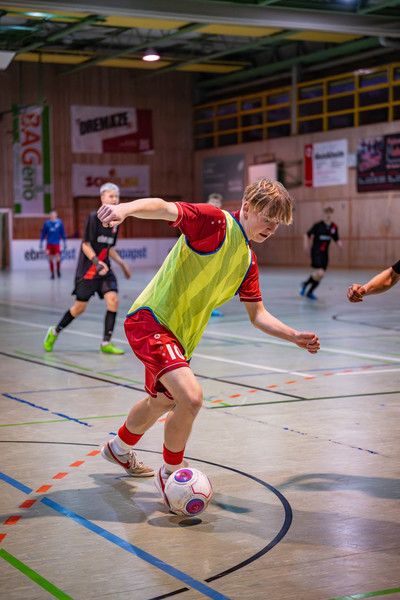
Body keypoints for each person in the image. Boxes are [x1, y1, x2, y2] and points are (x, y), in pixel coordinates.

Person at [96, 179, 321, 505]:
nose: (271, 228)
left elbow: (258, 314)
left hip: (181, 338)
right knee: (191, 398)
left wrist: (293, 335)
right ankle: (171, 474)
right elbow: (164, 208)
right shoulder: (215, 222)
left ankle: (118, 449)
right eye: (267, 219)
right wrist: (124, 209)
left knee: (162, 402)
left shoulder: (247, 261)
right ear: (247, 208)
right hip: (152, 320)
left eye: (277, 224)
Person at [43, 183, 131, 355]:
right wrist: (97, 263)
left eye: (117, 196)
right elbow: (86, 245)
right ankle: (55, 331)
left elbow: (109, 248)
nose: (115, 199)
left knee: (113, 300)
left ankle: (106, 342)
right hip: (89, 271)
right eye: (111, 196)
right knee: (79, 308)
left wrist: (123, 264)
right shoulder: (93, 218)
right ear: (102, 198)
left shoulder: (116, 221)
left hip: (105, 270)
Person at [300, 206, 343, 300]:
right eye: (327, 213)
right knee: (320, 272)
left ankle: (308, 289)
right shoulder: (318, 225)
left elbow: (336, 238)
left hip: (325, 254)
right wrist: (305, 246)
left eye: (330, 213)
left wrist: (339, 244)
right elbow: (306, 235)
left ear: (332, 214)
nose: (328, 215)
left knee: (320, 275)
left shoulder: (334, 227)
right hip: (316, 252)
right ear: (324, 214)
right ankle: (306, 286)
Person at [207, 193, 224, 317]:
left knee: (215, 282)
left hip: (216, 254)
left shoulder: (224, 218)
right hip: (203, 254)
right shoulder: (203, 215)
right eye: (213, 202)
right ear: (208, 202)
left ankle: (212, 307)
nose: (215, 204)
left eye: (217, 202)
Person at [39, 208, 67, 279]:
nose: (52, 215)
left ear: (56, 214)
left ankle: (58, 270)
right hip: (49, 243)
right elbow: (43, 233)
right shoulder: (47, 223)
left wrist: (64, 242)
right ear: (49, 215)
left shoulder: (59, 222)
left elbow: (62, 232)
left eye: (54, 214)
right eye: (51, 214)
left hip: (57, 243)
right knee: (50, 258)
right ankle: (52, 274)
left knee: (58, 257)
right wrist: (41, 242)